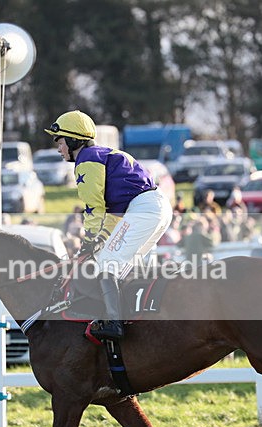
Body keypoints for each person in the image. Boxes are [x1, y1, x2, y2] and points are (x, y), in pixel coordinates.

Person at [45, 110, 173, 340]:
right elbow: (113, 214)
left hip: (144, 210)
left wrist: (89, 239)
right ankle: (130, 316)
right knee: (124, 266)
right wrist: (100, 239)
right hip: (155, 207)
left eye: (60, 141)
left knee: (107, 262)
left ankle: (113, 322)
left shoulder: (86, 160)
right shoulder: (101, 155)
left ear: (74, 140)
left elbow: (94, 208)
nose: (58, 148)